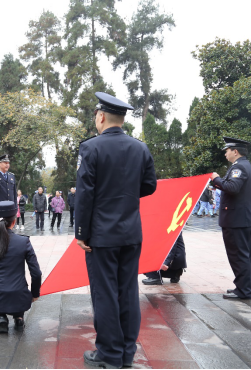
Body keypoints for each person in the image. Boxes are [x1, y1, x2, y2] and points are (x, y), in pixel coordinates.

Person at [76, 92, 157, 369]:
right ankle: (125, 353)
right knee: (127, 291)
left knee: (105, 292)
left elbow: (85, 195)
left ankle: (109, 355)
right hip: (131, 232)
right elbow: (150, 186)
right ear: (121, 120)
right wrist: (125, 194)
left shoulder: (91, 148)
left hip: (101, 234)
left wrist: (81, 233)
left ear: (100, 117)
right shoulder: (140, 148)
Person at [0, 201, 42, 334]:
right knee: (16, 295)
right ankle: (18, 317)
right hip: (21, 298)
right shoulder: (24, 242)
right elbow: (36, 273)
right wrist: (34, 294)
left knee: (0, 296)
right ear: (14, 221)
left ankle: (1, 317)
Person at [211, 137, 251, 300]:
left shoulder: (240, 168)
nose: (225, 153)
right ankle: (243, 287)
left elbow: (232, 187)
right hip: (240, 219)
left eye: (227, 150)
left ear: (235, 151)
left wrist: (216, 179)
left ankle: (244, 291)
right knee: (243, 256)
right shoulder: (243, 166)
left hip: (236, 220)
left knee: (239, 256)